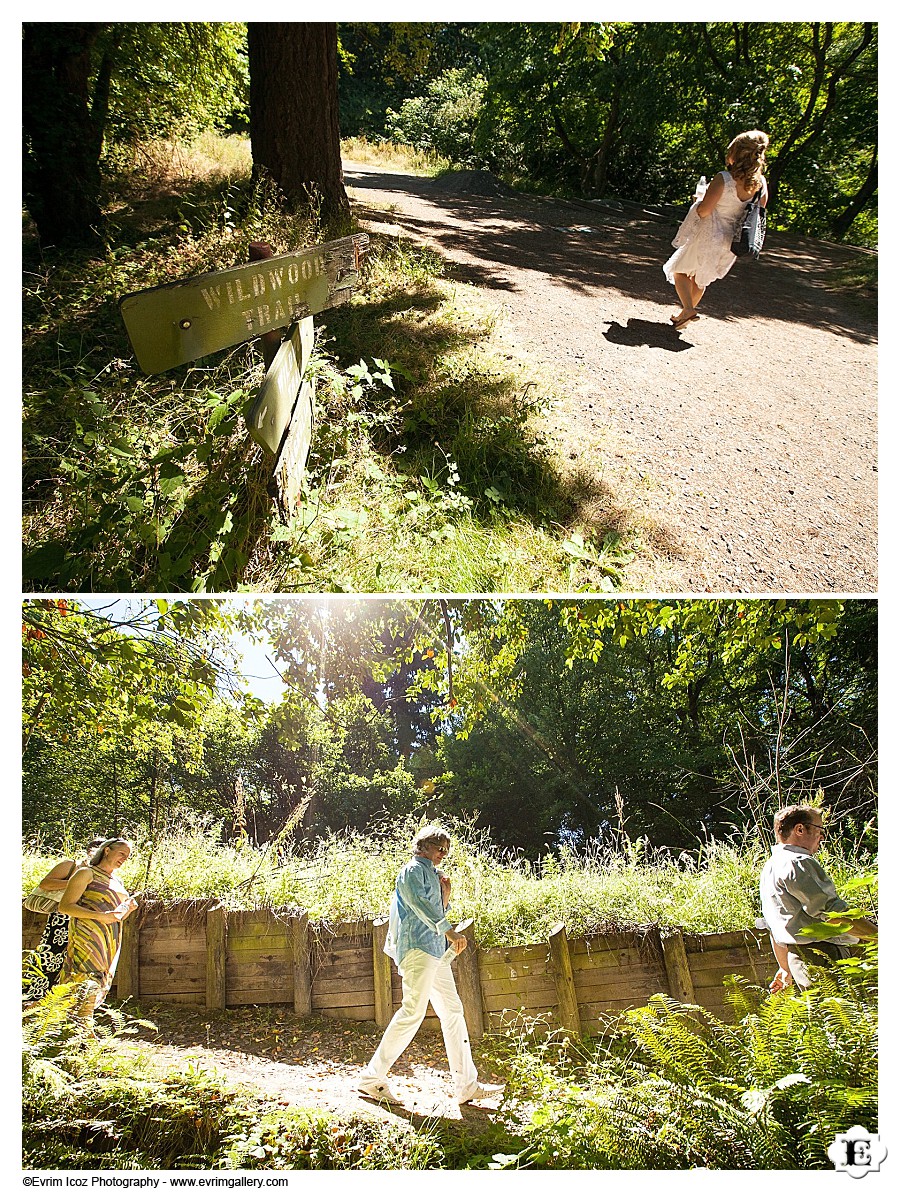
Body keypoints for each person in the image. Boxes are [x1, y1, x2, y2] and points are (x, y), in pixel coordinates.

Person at [357, 825, 503, 1106]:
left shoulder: (434, 875)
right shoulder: (412, 870)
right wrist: (450, 931)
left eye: (446, 850)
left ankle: (466, 1086)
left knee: (452, 1011)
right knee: (413, 1011)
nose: (443, 854)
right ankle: (371, 1080)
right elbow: (420, 906)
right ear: (423, 847)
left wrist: (445, 897)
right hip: (416, 949)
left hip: (434, 951)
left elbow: (435, 910)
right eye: (440, 848)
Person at [759, 805, 877, 992]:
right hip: (823, 956)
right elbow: (832, 914)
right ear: (800, 829)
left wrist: (785, 967)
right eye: (820, 830)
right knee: (840, 1015)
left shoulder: (770, 867)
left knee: (826, 1016)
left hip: (798, 960)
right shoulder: (799, 861)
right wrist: (878, 938)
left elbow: (775, 925)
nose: (822, 837)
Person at [663, 129, 770, 328]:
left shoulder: (724, 178)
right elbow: (759, 211)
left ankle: (688, 309)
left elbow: (704, 211)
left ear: (735, 154)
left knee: (680, 271)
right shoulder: (761, 184)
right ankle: (684, 317)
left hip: (709, 234)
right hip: (732, 241)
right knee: (701, 280)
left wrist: (697, 201)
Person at [58, 837, 139, 1030]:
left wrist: (129, 908)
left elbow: (115, 916)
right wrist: (99, 917)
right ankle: (83, 1031)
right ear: (107, 851)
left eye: (127, 857)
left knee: (98, 980)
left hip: (109, 938)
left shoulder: (117, 881)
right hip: (86, 937)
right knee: (85, 979)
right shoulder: (86, 873)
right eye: (121, 853)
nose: (124, 859)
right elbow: (65, 906)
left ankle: (77, 1029)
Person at [23, 836, 107, 1003]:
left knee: (75, 960)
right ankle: (32, 997)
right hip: (62, 919)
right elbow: (45, 884)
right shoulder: (71, 865)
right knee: (50, 956)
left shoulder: (102, 874)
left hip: (84, 921)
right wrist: (75, 882)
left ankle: (64, 1002)